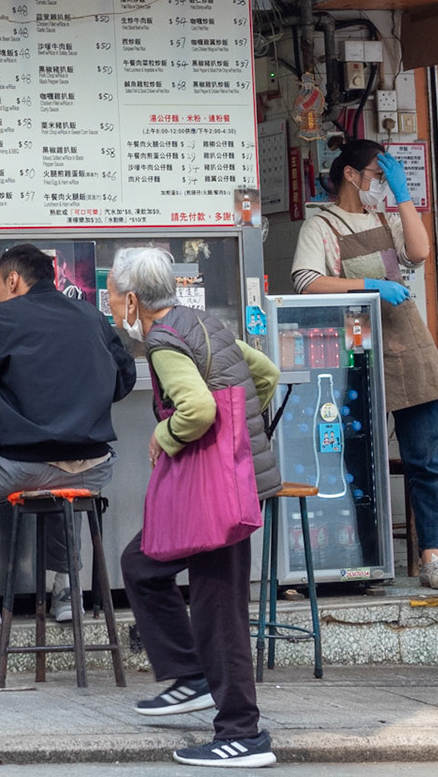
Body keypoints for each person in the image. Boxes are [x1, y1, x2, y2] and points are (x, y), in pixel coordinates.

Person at [116, 245, 281, 771]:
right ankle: (190, 676)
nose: (112, 305)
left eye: (114, 296)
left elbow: (200, 408)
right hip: (229, 482)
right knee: (142, 564)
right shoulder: (205, 323)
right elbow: (266, 375)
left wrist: (165, 435)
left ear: (133, 300)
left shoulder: (163, 341)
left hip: (215, 492)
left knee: (219, 611)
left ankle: (242, 734)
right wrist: (240, 436)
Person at [0, 242, 137, 629]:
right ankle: (67, 591)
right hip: (95, 467)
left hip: (24, 467)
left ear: (13, 279)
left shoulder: (0, 321)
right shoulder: (90, 315)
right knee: (64, 485)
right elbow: (124, 380)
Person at [290, 139, 438, 589]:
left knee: (426, 458)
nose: (381, 184)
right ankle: (359, 555)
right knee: (355, 459)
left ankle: (432, 556)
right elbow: (306, 281)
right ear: (350, 174)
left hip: (407, 344)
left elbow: (419, 253)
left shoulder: (387, 217)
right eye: (378, 176)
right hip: (353, 351)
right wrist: (368, 286)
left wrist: (403, 196)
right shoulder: (321, 224)